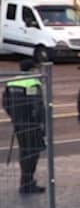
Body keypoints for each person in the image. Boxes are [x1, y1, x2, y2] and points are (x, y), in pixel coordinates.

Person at [3, 59, 46, 195]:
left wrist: (14, 117)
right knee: (32, 153)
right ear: (32, 70)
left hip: (19, 123)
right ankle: (27, 183)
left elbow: (5, 103)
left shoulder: (12, 82)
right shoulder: (32, 83)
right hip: (31, 124)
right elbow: (37, 105)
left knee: (24, 151)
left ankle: (26, 182)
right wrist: (42, 122)